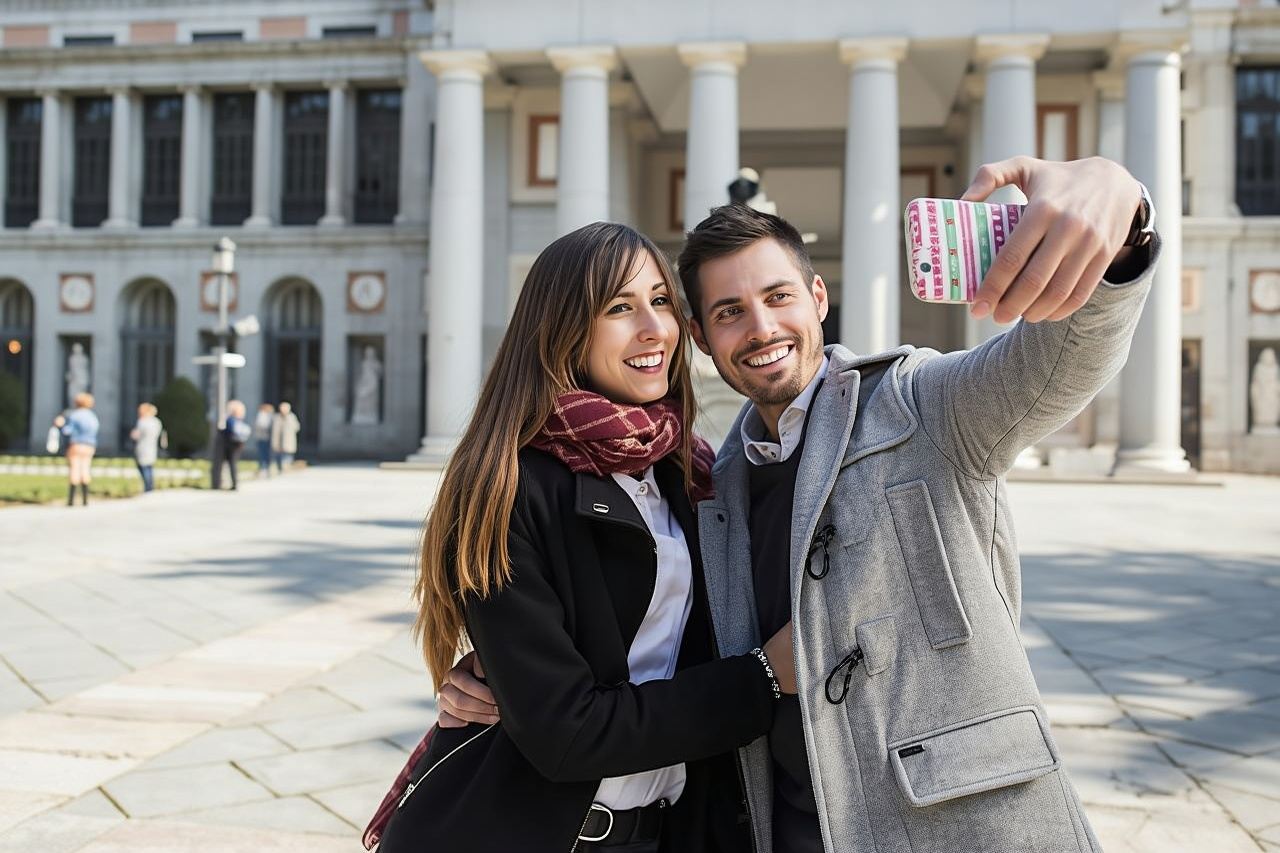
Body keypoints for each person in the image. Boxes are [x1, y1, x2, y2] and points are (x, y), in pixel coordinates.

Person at [442, 156, 1161, 853]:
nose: (760, 328)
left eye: (778, 296)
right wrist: (503, 669)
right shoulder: (706, 482)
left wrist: (1123, 214)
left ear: (818, 298)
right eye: (728, 311)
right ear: (704, 338)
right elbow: (645, 643)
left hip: (959, 822)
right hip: (780, 828)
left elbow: (1060, 363)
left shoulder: (921, 404)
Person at [376, 222, 798, 853]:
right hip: (530, 831)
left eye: (660, 302)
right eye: (619, 308)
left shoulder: (691, 472)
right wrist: (762, 680)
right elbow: (566, 733)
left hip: (664, 831)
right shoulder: (508, 487)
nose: (653, 329)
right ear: (565, 328)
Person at [54, 392, 99, 507]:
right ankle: (85, 499)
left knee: (74, 468)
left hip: (76, 444)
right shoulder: (92, 416)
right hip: (89, 445)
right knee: (85, 468)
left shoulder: (74, 415)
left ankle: (71, 500)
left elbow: (68, 431)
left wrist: (61, 425)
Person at [211, 399, 249, 490]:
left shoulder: (229, 420)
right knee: (233, 465)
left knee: (221, 464)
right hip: (237, 445)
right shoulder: (240, 421)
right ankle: (234, 483)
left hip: (229, 444)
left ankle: (217, 484)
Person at [129, 402, 163, 493]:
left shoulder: (142, 421)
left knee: (143, 467)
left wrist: (132, 434)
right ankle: (150, 486)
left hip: (142, 447)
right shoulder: (156, 422)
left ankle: (148, 487)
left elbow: (136, 435)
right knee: (149, 467)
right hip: (152, 446)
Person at [270, 401, 300, 473]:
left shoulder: (291, 417)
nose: (283, 410)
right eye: (282, 408)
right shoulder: (276, 417)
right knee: (277, 458)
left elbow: (297, 428)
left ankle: (286, 471)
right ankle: (279, 470)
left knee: (287, 459)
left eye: (285, 408)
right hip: (277, 442)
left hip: (288, 442)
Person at [252, 403, 275, 477]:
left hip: (265, 438)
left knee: (265, 454)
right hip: (263, 437)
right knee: (263, 454)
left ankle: (265, 468)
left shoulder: (268, 415)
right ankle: (264, 468)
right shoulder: (262, 415)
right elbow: (261, 425)